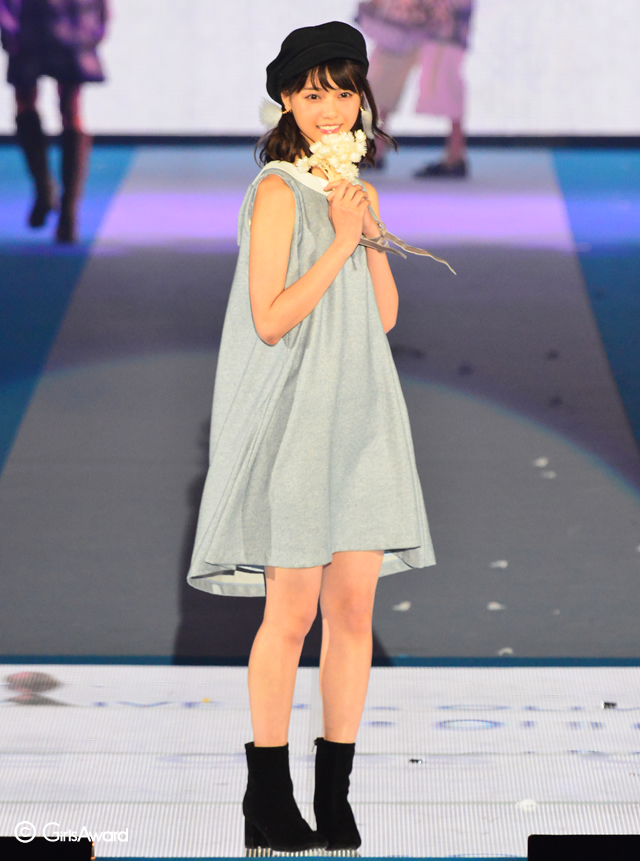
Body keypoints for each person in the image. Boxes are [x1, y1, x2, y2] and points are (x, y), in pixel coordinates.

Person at [186, 21, 436, 853]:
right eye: (313, 92)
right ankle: (267, 793)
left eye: (344, 92)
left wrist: (366, 231)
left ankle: (336, 795)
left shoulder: (352, 189)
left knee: (353, 610)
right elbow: (271, 319)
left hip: (361, 412)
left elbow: (385, 315)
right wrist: (338, 239)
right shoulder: (275, 192)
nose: (331, 109)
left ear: (363, 98)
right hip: (296, 417)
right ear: (287, 100)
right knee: (290, 614)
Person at [0, 0, 108, 242]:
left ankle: (63, 205)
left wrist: (100, 18)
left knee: (65, 109)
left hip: (63, 20)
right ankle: (49, 193)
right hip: (39, 21)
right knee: (42, 105)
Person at [357, 0, 474, 177]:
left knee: (443, 80)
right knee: (383, 78)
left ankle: (455, 155)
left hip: (443, 16)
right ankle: (375, 149)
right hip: (404, 18)